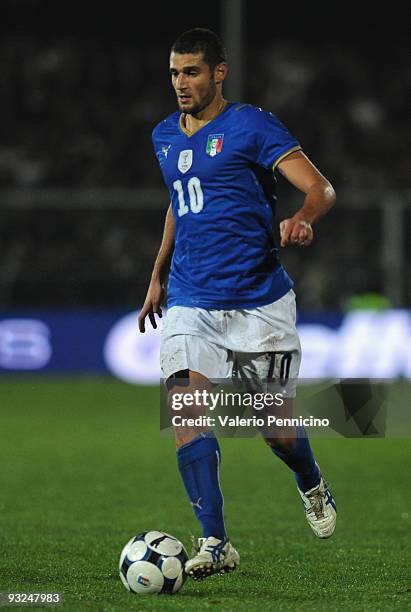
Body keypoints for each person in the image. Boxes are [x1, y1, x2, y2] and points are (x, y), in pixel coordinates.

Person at [138, 27, 337, 580]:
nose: (180, 83)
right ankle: (215, 541)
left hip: (259, 303)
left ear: (218, 73)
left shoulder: (252, 125)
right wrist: (157, 274)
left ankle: (311, 481)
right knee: (186, 411)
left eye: (192, 72)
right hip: (190, 299)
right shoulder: (163, 136)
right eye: (175, 72)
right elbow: (181, 203)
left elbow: (320, 189)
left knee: (274, 428)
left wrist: (301, 219)